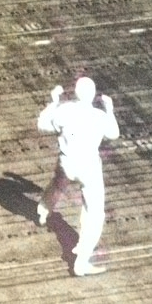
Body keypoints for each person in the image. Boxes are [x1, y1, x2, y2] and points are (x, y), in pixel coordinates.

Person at [35, 76, 120, 277]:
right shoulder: (98, 116)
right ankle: (81, 261)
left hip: (67, 162)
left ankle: (43, 210)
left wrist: (54, 101)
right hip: (88, 167)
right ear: (93, 95)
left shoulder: (64, 110)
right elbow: (114, 133)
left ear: (74, 92)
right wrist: (110, 109)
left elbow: (43, 125)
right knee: (94, 212)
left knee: (58, 183)